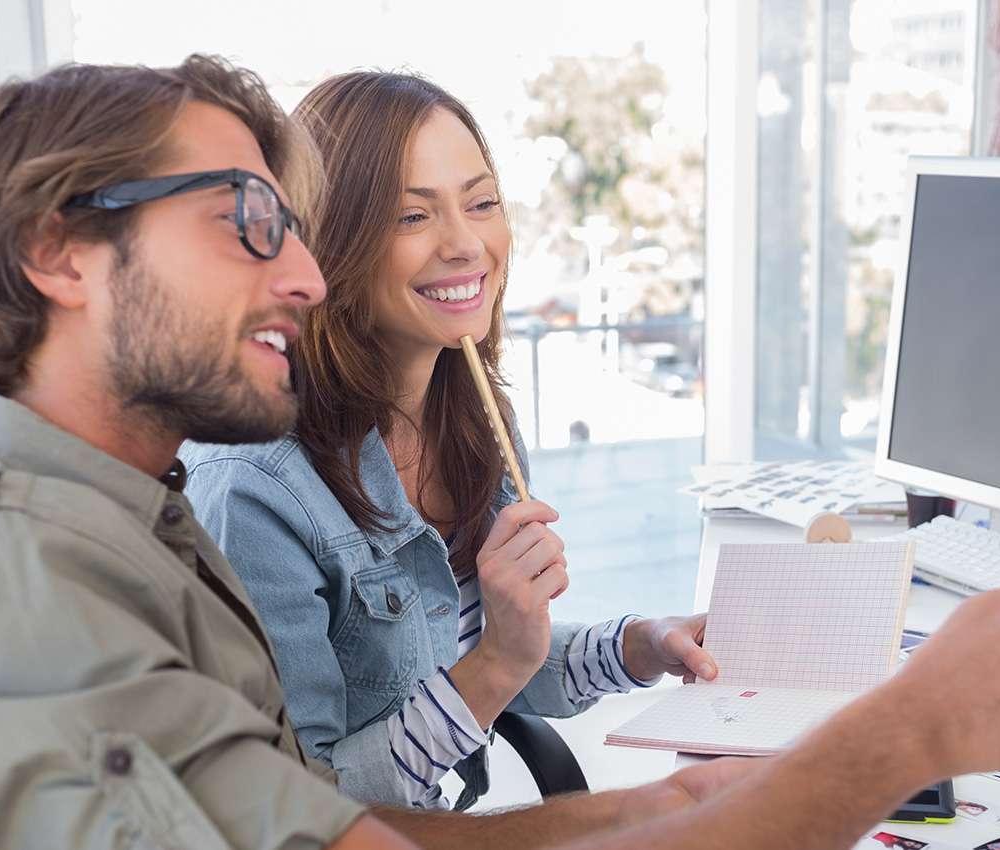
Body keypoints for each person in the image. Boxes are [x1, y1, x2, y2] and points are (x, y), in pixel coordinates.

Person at [0, 54, 1000, 850]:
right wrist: (912, 729)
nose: (301, 275)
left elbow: (297, 818)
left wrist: (661, 801)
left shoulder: (132, 516)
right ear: (54, 253)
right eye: (252, 220)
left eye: (300, 227)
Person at [178, 70, 710, 809]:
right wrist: (496, 664)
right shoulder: (252, 488)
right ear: (329, 242)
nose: (467, 245)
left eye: (483, 203)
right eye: (411, 217)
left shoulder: (472, 412)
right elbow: (310, 800)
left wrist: (643, 646)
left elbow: (485, 655)